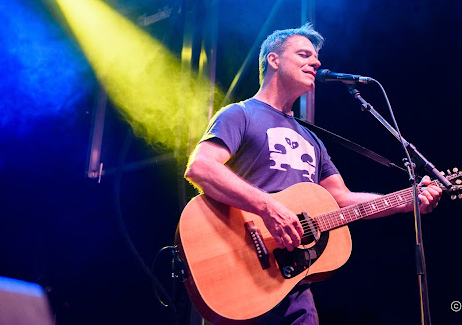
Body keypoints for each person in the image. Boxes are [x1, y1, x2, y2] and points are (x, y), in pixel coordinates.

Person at [184, 23, 442, 325]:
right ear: (274, 60)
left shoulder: (312, 139)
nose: (316, 63)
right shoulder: (240, 114)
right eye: (304, 54)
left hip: (293, 286)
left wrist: (405, 200)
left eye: (317, 58)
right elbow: (200, 167)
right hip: (241, 271)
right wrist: (268, 207)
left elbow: (340, 198)